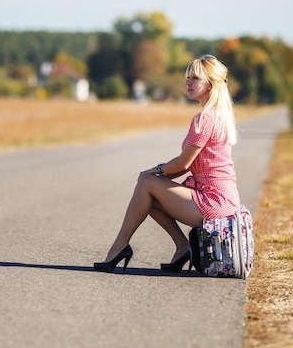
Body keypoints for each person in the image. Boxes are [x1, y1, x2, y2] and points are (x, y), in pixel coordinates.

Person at [94, 55, 240, 273]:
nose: (188, 83)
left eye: (195, 78)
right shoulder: (219, 115)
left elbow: (183, 163)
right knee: (148, 193)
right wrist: (157, 178)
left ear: (210, 83)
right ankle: (182, 247)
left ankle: (119, 247)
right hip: (222, 199)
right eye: (187, 77)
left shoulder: (205, 118)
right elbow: (187, 166)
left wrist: (154, 172)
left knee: (146, 184)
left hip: (214, 202)